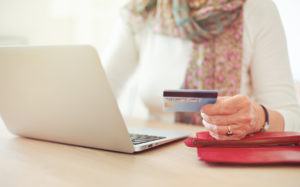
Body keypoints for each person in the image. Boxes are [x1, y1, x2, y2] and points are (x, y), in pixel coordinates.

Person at [103, 0, 300, 140]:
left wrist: (260, 118)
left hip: (229, 163)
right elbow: (99, 92)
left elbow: (293, 122)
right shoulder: (142, 12)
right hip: (155, 158)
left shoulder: (257, 11)